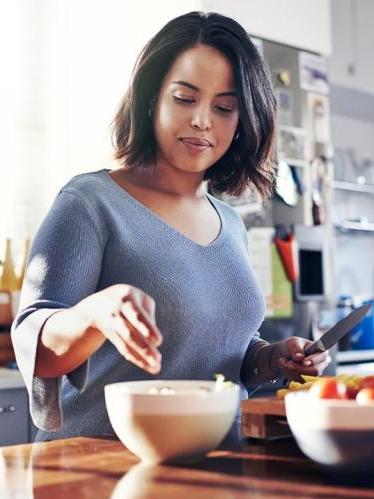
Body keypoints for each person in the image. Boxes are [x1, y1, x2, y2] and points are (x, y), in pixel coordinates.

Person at [12, 11, 330, 441]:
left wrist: (271, 359)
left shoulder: (230, 222)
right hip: (99, 469)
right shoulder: (90, 203)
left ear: (243, 122)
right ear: (151, 98)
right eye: (185, 98)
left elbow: (220, 349)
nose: (202, 120)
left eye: (223, 108)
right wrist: (93, 315)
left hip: (210, 466)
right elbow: (33, 341)